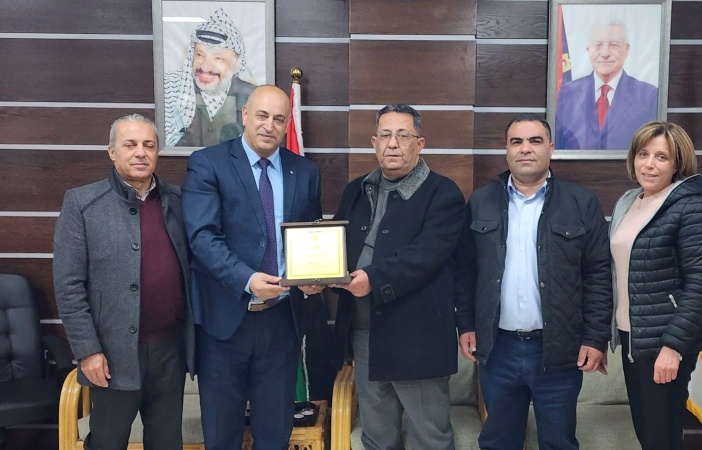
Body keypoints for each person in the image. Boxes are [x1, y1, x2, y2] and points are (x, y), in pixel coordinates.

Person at [456, 114, 612, 450]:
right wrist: (466, 324)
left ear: (550, 149)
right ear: (506, 150)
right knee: (498, 442)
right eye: (517, 142)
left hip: (558, 350)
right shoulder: (481, 201)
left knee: (558, 443)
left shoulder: (580, 203)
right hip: (499, 349)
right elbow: (466, 270)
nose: (525, 149)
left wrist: (595, 338)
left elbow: (598, 274)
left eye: (535, 141)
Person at [181, 85, 322, 450]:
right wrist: (247, 279)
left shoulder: (304, 171)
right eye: (261, 115)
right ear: (244, 114)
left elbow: (310, 236)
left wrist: (313, 277)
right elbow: (202, 237)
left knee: (274, 435)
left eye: (278, 119)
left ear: (286, 124)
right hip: (225, 323)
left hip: (282, 322)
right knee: (222, 436)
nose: (268, 126)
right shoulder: (208, 163)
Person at [53, 114, 194, 450]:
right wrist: (88, 351)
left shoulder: (179, 202)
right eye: (130, 145)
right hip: (111, 357)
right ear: (112, 152)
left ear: (157, 152)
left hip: (170, 351)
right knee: (107, 442)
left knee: (167, 443)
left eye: (148, 145)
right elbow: (68, 286)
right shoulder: (83, 204)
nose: (140, 153)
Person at [329, 104, 465, 450]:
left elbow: (425, 256)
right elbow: (336, 247)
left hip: (416, 337)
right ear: (374, 142)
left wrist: (373, 279)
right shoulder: (356, 190)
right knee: (377, 437)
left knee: (429, 438)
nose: (393, 143)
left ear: (420, 144)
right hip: (364, 333)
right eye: (385, 135)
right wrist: (318, 276)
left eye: (403, 135)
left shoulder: (442, 193)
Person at [608, 121, 702, 449]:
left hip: (666, 341)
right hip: (633, 337)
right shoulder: (629, 202)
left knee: (660, 438)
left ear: (677, 164)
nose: (649, 164)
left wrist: (672, 347)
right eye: (643, 154)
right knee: (649, 435)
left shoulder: (690, 206)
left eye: (661, 157)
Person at [555, 20, 658, 150]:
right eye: (598, 45)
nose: (605, 53)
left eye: (613, 45)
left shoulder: (648, 96)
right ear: (588, 50)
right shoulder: (568, 92)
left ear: (627, 50)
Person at [164, 8, 257, 147]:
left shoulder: (252, 95)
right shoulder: (174, 90)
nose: (205, 67)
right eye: (200, 55)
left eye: (218, 58)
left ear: (237, 63)